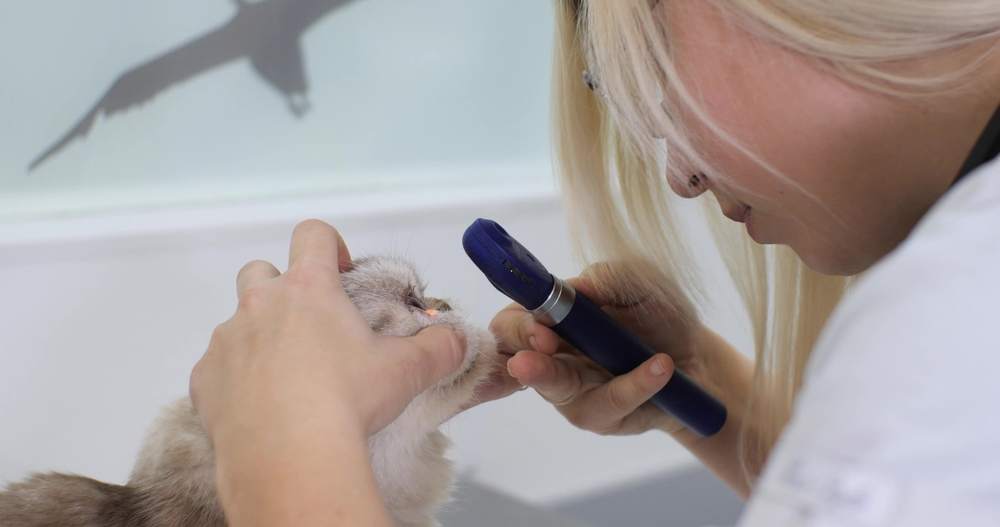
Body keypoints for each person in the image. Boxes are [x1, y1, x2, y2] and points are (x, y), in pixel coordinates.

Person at [189, 1, 1000, 524]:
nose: (679, 176)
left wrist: (280, 441)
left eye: (629, 69)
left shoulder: (954, 310)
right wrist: (701, 387)